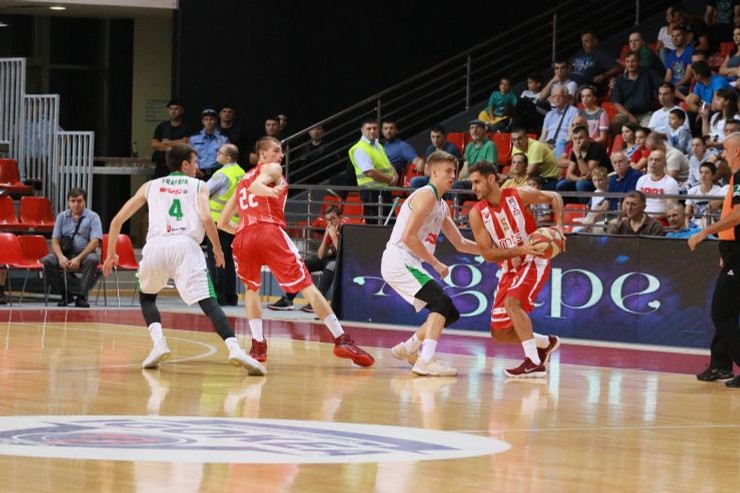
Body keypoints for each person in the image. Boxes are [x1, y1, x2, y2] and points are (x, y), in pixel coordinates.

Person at [101, 143, 265, 375]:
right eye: (195, 162)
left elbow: (116, 221)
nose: (197, 167)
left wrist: (110, 255)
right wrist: (218, 250)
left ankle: (159, 344)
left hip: (156, 246)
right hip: (186, 246)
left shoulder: (150, 186)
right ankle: (234, 348)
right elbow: (207, 219)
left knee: (147, 298)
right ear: (185, 164)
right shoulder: (198, 185)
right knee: (209, 302)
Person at [217, 136, 375, 367]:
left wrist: (244, 230)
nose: (280, 155)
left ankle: (258, 346)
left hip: (243, 237)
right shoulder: (272, 168)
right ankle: (341, 339)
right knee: (307, 285)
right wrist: (271, 193)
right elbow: (256, 186)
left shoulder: (241, 183)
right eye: (276, 150)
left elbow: (222, 222)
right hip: (269, 230)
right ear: (262, 154)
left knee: (251, 290)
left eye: (281, 151)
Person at [382, 151, 480, 376]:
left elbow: (460, 243)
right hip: (399, 259)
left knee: (450, 313)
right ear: (434, 172)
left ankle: (409, 348)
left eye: (454, 171)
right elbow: (408, 237)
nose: (453, 175)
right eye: (448, 171)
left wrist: (492, 251)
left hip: (410, 261)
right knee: (441, 302)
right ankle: (425, 361)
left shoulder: (442, 205)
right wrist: (436, 263)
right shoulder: (426, 196)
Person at [467, 161, 564, 378]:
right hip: (509, 267)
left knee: (512, 303)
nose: (473, 188)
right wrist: (520, 249)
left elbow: (554, 197)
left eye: (477, 182)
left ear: (491, 179)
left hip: (534, 259)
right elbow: (488, 254)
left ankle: (533, 362)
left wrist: (559, 226)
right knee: (499, 332)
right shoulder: (476, 213)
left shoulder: (518, 195)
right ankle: (545, 343)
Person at [688, 131, 740, 388]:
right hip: (733, 251)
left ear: (737, 151)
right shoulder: (735, 178)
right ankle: (720, 364)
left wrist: (704, 232)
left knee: (721, 312)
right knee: (727, 310)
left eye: (726, 151)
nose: (723, 156)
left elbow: (738, 215)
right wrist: (725, 251)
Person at [268, 205, 343, 312]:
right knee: (303, 265)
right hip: (332, 258)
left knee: (331, 265)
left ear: (340, 218)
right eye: (328, 220)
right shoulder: (330, 230)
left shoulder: (346, 230)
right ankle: (287, 300)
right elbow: (320, 255)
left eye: (333, 219)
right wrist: (327, 235)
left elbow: (343, 255)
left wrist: (334, 237)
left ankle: (318, 302)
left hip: (344, 261)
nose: (331, 222)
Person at [42, 187, 103, 308]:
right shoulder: (61, 217)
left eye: (79, 201)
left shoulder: (93, 217)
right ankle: (64, 294)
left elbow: (95, 242)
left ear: (85, 201)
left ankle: (82, 296)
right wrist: (60, 257)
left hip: (84, 254)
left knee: (93, 259)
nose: (76, 204)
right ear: (68, 202)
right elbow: (55, 241)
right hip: (65, 253)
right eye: (73, 201)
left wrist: (78, 259)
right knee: (47, 260)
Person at [205, 143, 245, 306]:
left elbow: (204, 191)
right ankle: (231, 296)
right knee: (228, 259)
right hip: (234, 222)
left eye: (219, 152)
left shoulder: (222, 174)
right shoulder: (241, 172)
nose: (217, 154)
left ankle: (219, 297)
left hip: (217, 221)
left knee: (217, 257)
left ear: (228, 158)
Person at [348, 118, 399, 224]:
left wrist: (395, 175)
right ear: (362, 130)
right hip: (371, 192)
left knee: (390, 225)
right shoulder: (359, 148)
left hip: (384, 190)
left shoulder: (378, 145)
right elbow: (369, 172)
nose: (372, 131)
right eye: (369, 128)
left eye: (374, 128)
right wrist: (390, 179)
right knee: (374, 226)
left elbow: (387, 163)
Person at [611, 51, 662, 131]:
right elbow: (616, 102)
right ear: (625, 63)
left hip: (646, 114)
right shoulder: (620, 80)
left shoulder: (648, 74)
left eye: (633, 61)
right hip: (626, 113)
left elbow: (663, 87)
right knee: (615, 122)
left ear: (638, 62)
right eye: (628, 61)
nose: (630, 64)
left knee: (648, 130)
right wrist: (628, 115)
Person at [410, 123, 462, 188]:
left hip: (446, 179)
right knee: (414, 181)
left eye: (438, 137)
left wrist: (433, 170)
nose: (435, 140)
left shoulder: (451, 149)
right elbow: (426, 171)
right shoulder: (430, 149)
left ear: (444, 136)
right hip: (432, 178)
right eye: (433, 137)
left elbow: (446, 171)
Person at [150, 98, 191, 179]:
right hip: (162, 165)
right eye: (171, 109)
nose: (173, 111)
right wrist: (171, 148)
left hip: (179, 165)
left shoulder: (187, 127)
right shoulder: (161, 127)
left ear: (182, 111)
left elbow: (186, 142)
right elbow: (153, 144)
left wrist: (166, 142)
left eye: (176, 109)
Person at [636, 149, 680, 217]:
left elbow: (671, 209)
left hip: (660, 219)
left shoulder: (671, 183)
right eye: (651, 159)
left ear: (664, 163)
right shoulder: (641, 180)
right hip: (641, 217)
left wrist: (649, 218)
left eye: (657, 160)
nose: (653, 162)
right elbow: (637, 202)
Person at [189, 108, 229, 180]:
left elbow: (227, 158)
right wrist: (194, 168)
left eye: (211, 119)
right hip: (198, 172)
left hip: (218, 172)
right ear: (202, 121)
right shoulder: (194, 138)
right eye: (206, 119)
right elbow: (189, 156)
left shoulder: (224, 138)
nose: (209, 122)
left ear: (216, 121)